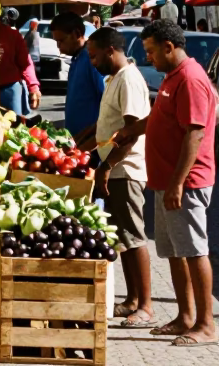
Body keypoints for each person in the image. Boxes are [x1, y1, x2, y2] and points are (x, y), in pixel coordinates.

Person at [113, 19, 217, 347]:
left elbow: (195, 133)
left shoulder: (190, 78)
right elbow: (162, 117)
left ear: (169, 47)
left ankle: (206, 325)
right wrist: (133, 129)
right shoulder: (172, 77)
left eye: (151, 51)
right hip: (166, 182)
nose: (148, 58)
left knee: (194, 250)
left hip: (185, 183)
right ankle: (185, 316)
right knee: (175, 253)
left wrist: (177, 184)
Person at [88, 28, 154, 327]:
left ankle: (147, 306)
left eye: (94, 55)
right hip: (114, 168)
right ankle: (132, 299)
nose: (91, 61)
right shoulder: (113, 79)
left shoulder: (128, 79)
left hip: (125, 169)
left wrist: (107, 166)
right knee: (121, 239)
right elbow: (107, 125)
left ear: (110, 50)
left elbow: (130, 132)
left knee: (134, 236)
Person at [50, 12, 105, 149]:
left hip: (91, 145)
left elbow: (107, 99)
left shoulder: (91, 60)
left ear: (76, 33)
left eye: (61, 41)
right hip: (77, 142)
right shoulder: (77, 58)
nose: (59, 47)